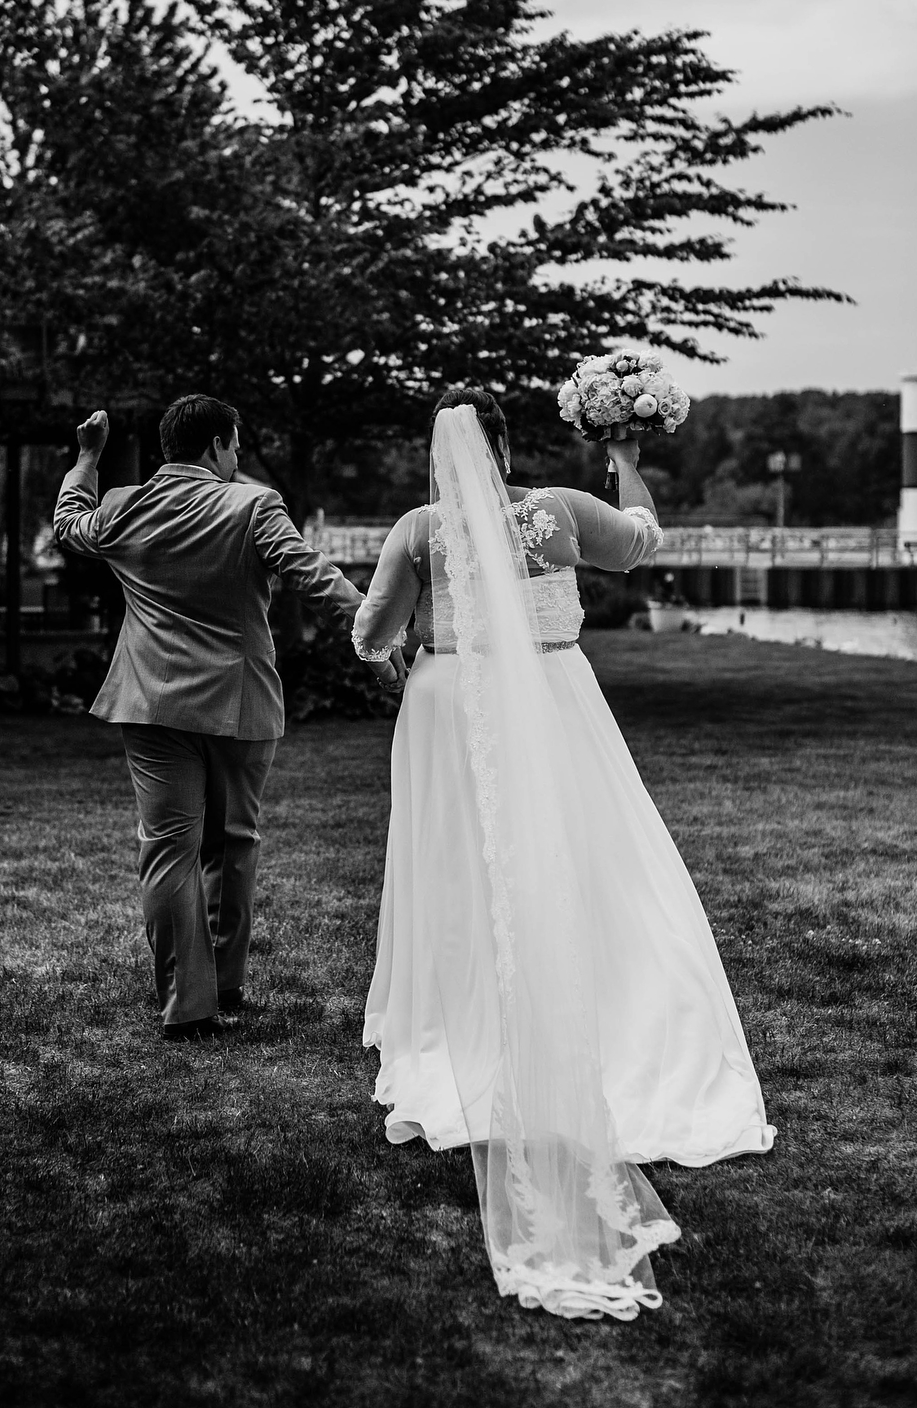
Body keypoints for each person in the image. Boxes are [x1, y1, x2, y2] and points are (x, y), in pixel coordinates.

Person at [352, 387, 774, 1319]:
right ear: (503, 443)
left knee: (462, 874)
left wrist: (399, 657)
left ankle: (464, 1022)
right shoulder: (558, 511)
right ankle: (614, 1009)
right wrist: (623, 454)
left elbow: (372, 631)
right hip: (555, 698)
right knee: (593, 861)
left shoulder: (419, 529)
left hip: (451, 709)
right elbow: (642, 540)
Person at [54, 395, 370, 1041]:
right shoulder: (252, 504)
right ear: (219, 444)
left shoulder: (122, 505)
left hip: (150, 702)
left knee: (169, 849)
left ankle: (186, 1005)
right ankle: (226, 981)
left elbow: (68, 521)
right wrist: (376, 625)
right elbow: (309, 573)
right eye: (235, 444)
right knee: (234, 845)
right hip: (239, 701)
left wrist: (87, 457)